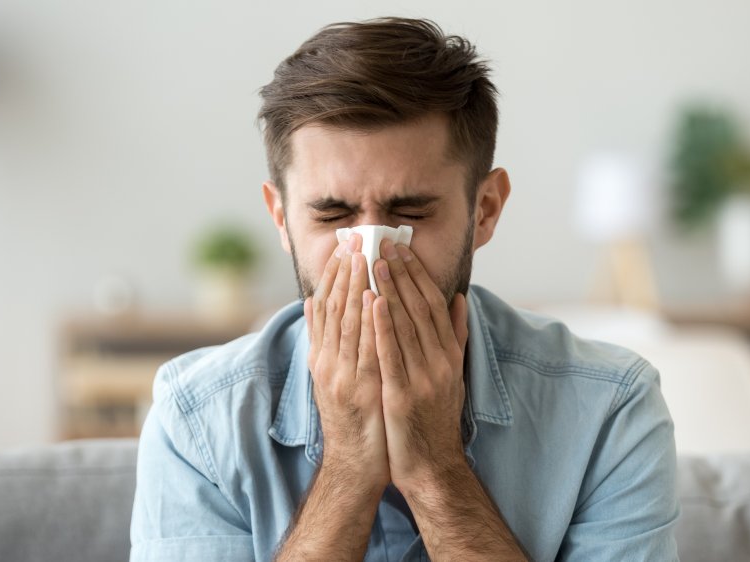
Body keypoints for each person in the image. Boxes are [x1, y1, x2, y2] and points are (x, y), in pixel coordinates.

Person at [130, 16, 679, 562]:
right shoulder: (197, 421)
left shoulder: (610, 409)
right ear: (280, 218)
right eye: (332, 215)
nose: (372, 258)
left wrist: (436, 468)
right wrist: (347, 469)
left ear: (484, 211)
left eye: (410, 213)